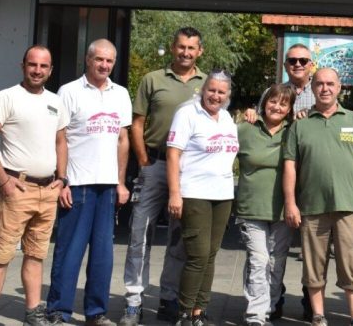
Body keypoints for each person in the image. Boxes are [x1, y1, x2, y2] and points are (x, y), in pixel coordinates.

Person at [0, 46, 69, 326]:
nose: (37, 70)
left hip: (47, 191)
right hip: (17, 190)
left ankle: (33, 313)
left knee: (36, 255)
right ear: (23, 66)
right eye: (32, 64)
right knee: (2, 255)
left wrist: (62, 178)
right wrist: (3, 180)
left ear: (50, 70)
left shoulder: (55, 102)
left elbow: (61, 142)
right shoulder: (7, 97)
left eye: (43, 66)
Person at [121, 27, 206, 326]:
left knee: (179, 237)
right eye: (181, 47)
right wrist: (144, 161)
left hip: (188, 169)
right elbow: (137, 123)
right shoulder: (153, 79)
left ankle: (169, 298)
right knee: (139, 234)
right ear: (173, 48)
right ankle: (133, 302)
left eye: (191, 48)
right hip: (155, 163)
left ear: (200, 51)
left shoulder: (207, 83)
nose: (186, 52)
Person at [284, 67, 353, 326]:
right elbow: (290, 166)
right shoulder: (300, 125)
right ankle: (318, 315)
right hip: (311, 208)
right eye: (319, 84)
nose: (325, 89)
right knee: (314, 266)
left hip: (348, 207)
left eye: (330, 84)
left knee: (352, 264)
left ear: (339, 88)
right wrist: (290, 203)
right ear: (313, 88)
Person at [46, 40, 132, 325]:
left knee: (103, 256)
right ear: (88, 59)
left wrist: (121, 182)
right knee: (69, 252)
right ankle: (59, 311)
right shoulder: (69, 92)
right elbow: (60, 139)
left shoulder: (121, 94)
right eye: (99, 59)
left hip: (107, 186)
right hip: (77, 184)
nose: (104, 65)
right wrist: (62, 180)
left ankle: (96, 313)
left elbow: (122, 140)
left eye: (109, 61)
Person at [166, 71, 239, 326]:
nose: (215, 96)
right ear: (203, 90)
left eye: (221, 92)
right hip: (194, 193)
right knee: (197, 256)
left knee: (210, 255)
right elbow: (173, 155)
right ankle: (184, 313)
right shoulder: (187, 113)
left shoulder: (227, 117)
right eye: (212, 90)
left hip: (223, 194)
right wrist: (174, 193)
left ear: (228, 95)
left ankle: (200, 311)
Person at [236, 83, 295, 326]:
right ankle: (256, 315)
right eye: (273, 101)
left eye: (283, 103)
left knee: (276, 262)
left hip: (283, 210)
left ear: (290, 109)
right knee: (259, 259)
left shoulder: (294, 131)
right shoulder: (245, 129)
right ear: (264, 103)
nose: (277, 107)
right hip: (251, 207)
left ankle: (268, 308)